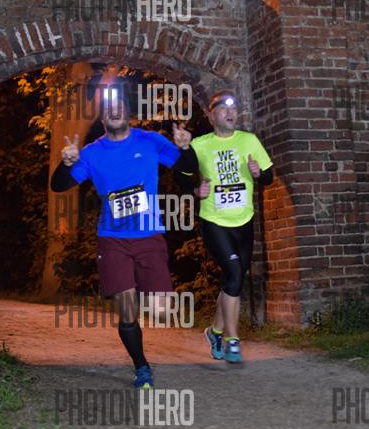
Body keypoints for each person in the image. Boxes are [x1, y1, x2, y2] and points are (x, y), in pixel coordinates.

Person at [50, 87, 194, 388]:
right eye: (108, 108)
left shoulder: (150, 141)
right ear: (103, 118)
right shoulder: (92, 153)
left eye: (119, 107)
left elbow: (187, 171)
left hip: (149, 235)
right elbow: (59, 185)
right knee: (127, 312)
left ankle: (139, 292)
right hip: (113, 239)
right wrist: (66, 164)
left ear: (128, 113)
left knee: (161, 310)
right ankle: (141, 366)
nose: (114, 111)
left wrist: (185, 149)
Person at [177, 89, 273, 363]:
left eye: (234, 108)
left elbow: (269, 176)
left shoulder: (249, 140)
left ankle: (215, 332)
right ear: (211, 116)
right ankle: (232, 340)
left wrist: (259, 173)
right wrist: (195, 189)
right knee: (233, 273)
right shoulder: (200, 145)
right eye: (223, 108)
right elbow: (181, 176)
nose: (231, 112)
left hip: (244, 221)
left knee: (234, 280)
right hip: (215, 222)